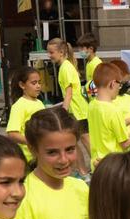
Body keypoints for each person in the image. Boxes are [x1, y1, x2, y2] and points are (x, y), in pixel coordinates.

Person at [87, 62, 130, 167]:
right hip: (113, 164)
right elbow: (125, 144)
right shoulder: (113, 110)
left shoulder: (92, 105)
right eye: (119, 84)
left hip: (97, 162)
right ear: (112, 84)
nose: (119, 88)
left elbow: (106, 127)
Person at [47, 38, 90, 178]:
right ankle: (83, 172)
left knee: (85, 141)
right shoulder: (66, 66)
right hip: (77, 110)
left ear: (61, 52)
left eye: (51, 52)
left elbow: (69, 93)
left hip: (78, 111)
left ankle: (99, 169)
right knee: (76, 143)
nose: (49, 55)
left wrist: (63, 112)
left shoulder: (65, 68)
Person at [6, 66, 45, 163]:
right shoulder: (19, 106)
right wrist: (32, 143)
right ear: (22, 85)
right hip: (28, 158)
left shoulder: (39, 103)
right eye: (34, 83)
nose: (38, 86)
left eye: (39, 82)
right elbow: (12, 134)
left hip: (41, 154)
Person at [75, 32, 100, 97]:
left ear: (91, 49)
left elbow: (99, 87)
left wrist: (84, 93)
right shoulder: (89, 63)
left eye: (82, 48)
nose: (79, 50)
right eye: (79, 48)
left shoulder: (96, 64)